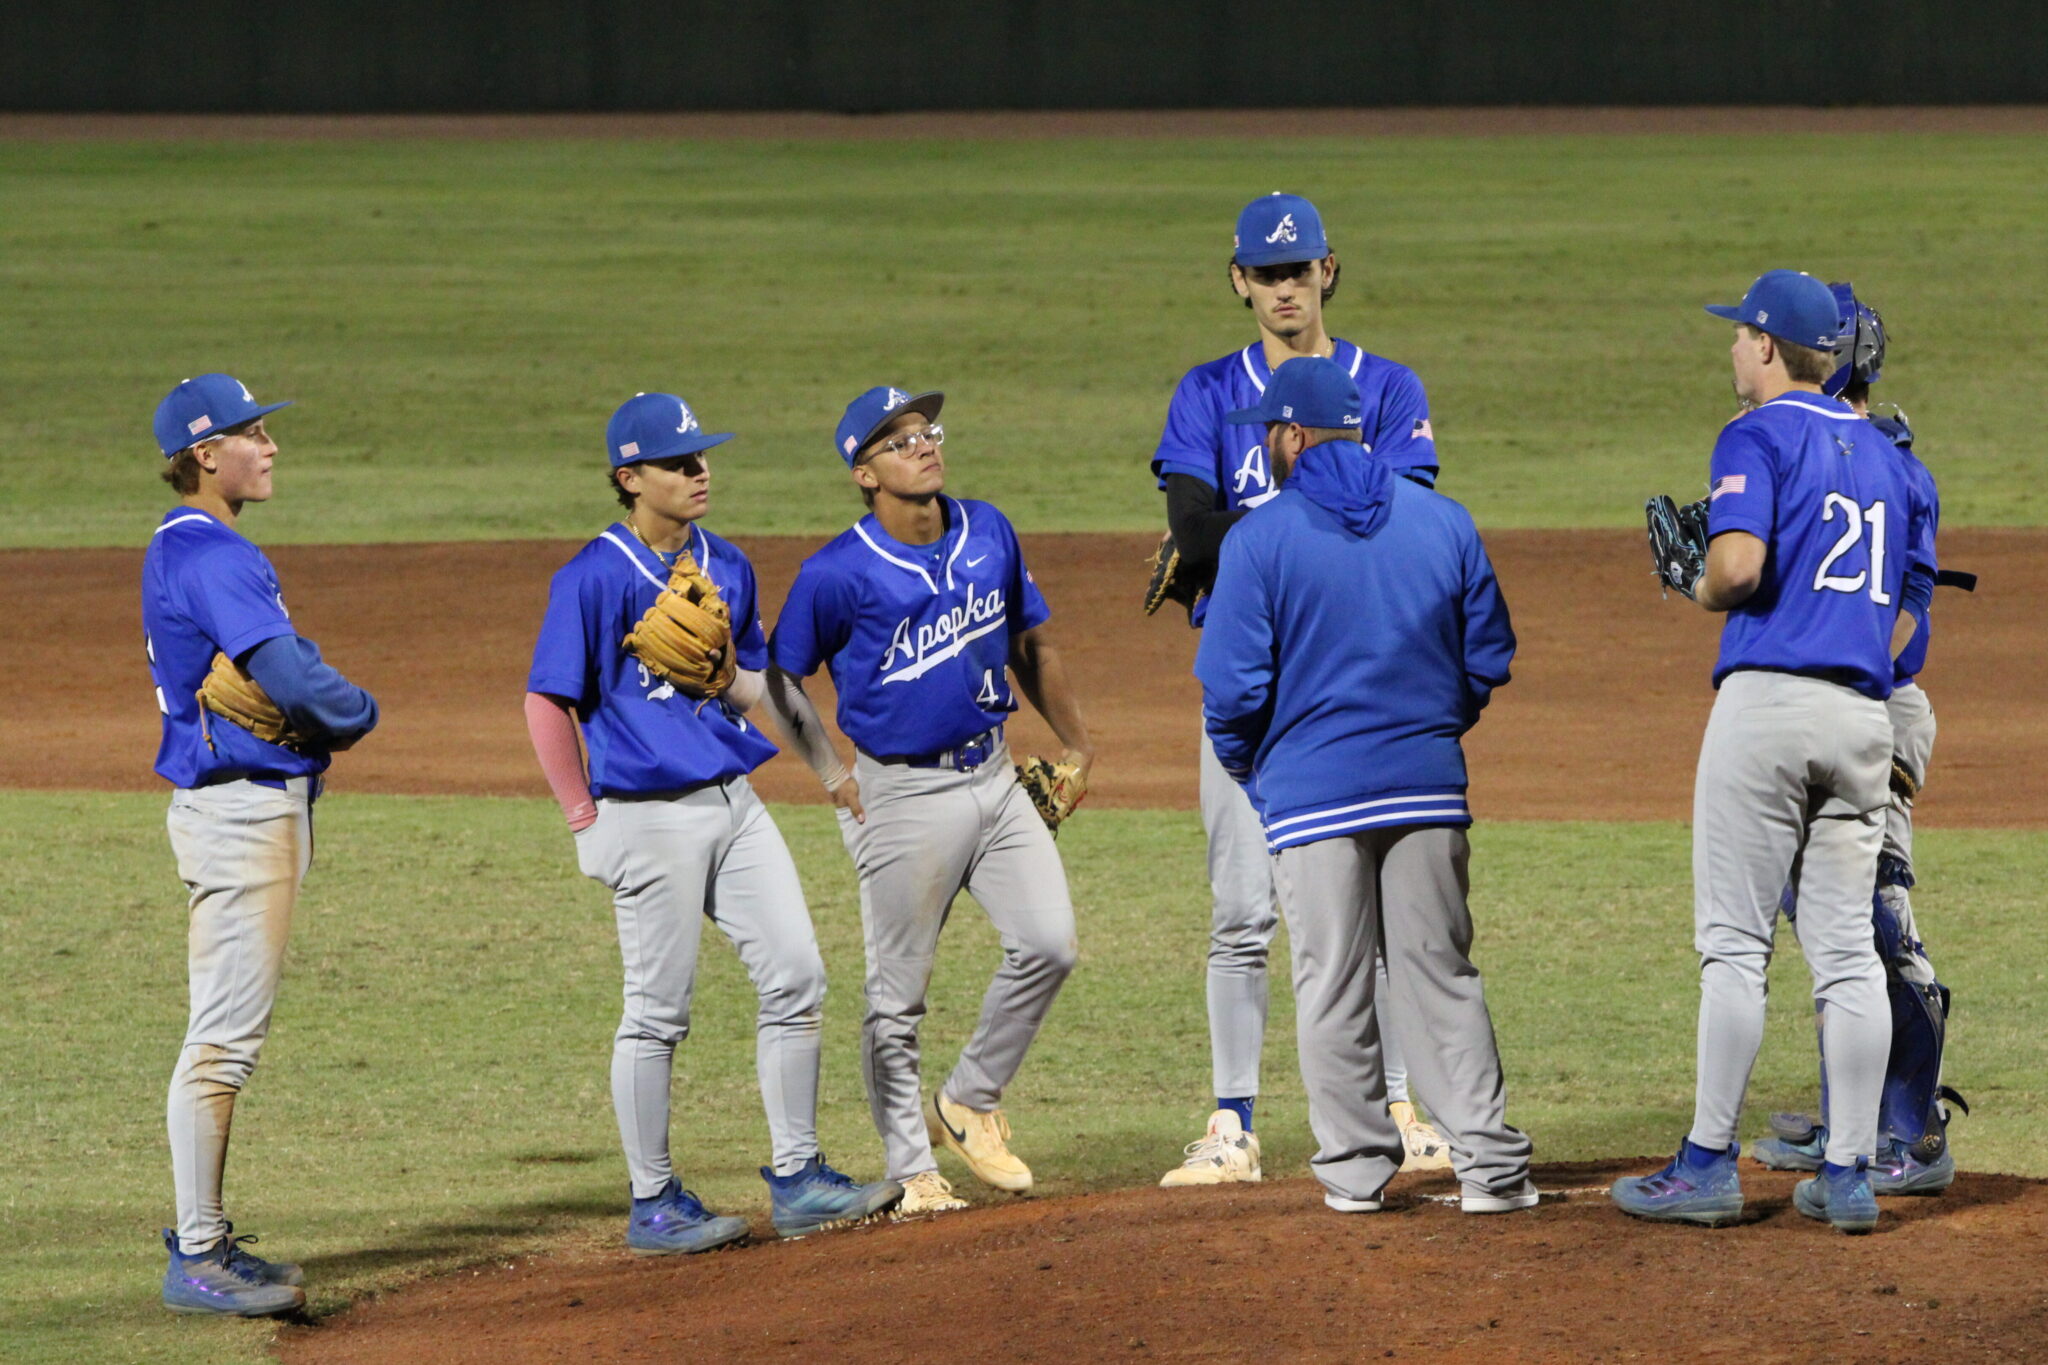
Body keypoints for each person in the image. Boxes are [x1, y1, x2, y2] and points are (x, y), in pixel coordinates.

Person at [525, 391, 901, 1253]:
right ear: (630, 477)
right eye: (679, 462)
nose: (700, 471)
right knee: (657, 1011)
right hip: (643, 818)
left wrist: (832, 769)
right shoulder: (593, 575)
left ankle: (800, 1176)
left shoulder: (726, 563)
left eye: (703, 456)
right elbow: (547, 702)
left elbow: (753, 683)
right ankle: (653, 1199)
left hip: (734, 803)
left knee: (799, 974)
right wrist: (584, 819)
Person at [1612, 271, 1935, 1235]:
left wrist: (1698, 583)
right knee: (1845, 955)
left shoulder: (1752, 436)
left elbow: (1740, 567)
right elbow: (1895, 608)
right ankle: (1848, 1177)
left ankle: (1707, 1163)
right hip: (1860, 719)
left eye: (1739, 335)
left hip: (1769, 708)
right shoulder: (1885, 457)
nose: (1731, 351)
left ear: (1767, 344)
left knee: (1733, 947)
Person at [1152, 192, 1454, 1187]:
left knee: (1365, 913)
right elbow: (1190, 531)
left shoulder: (1389, 386)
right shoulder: (1204, 393)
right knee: (1240, 913)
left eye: (1299, 269)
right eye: (1264, 272)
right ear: (1237, 280)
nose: (1284, 288)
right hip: (1246, 685)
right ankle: (1230, 1121)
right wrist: (1254, 544)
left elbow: (1396, 530)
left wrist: (1238, 552)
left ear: (1329, 270)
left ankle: (1400, 1110)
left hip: (1351, 683)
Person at [1194, 356, 1536, 1216]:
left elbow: (1231, 693)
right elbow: (1489, 655)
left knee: (1333, 982)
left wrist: (1258, 770)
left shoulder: (1258, 539)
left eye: (1270, 432)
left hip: (1310, 796)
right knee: (1441, 974)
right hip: (1425, 785)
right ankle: (1490, 1170)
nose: (1267, 445)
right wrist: (1427, 726)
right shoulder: (1443, 522)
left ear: (1294, 435)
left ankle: (1354, 1174)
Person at [763, 385, 1092, 1217]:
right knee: (896, 997)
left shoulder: (989, 530)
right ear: (863, 473)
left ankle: (970, 1096)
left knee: (1049, 942)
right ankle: (912, 1168)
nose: (923, 445)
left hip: (996, 772)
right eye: (898, 441)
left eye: (927, 431)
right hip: (901, 794)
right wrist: (833, 772)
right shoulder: (836, 572)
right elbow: (779, 677)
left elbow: (1032, 641)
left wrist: (1076, 745)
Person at [144, 374, 381, 1315]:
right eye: (251, 434)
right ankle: (198, 1254)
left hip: (236, 808)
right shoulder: (213, 553)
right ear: (206, 454)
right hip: (240, 814)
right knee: (221, 1043)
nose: (271, 446)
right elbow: (291, 678)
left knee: (222, 1035)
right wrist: (357, 711)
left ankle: (208, 1243)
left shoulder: (186, 547)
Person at [1752, 283, 1969, 1194]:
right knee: (1834, 919)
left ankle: (1911, 1132)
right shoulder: (1822, 451)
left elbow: (1905, 631)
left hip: (1877, 709)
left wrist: (1839, 680)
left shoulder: (1885, 465)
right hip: (1841, 708)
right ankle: (1860, 1114)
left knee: (1877, 918)